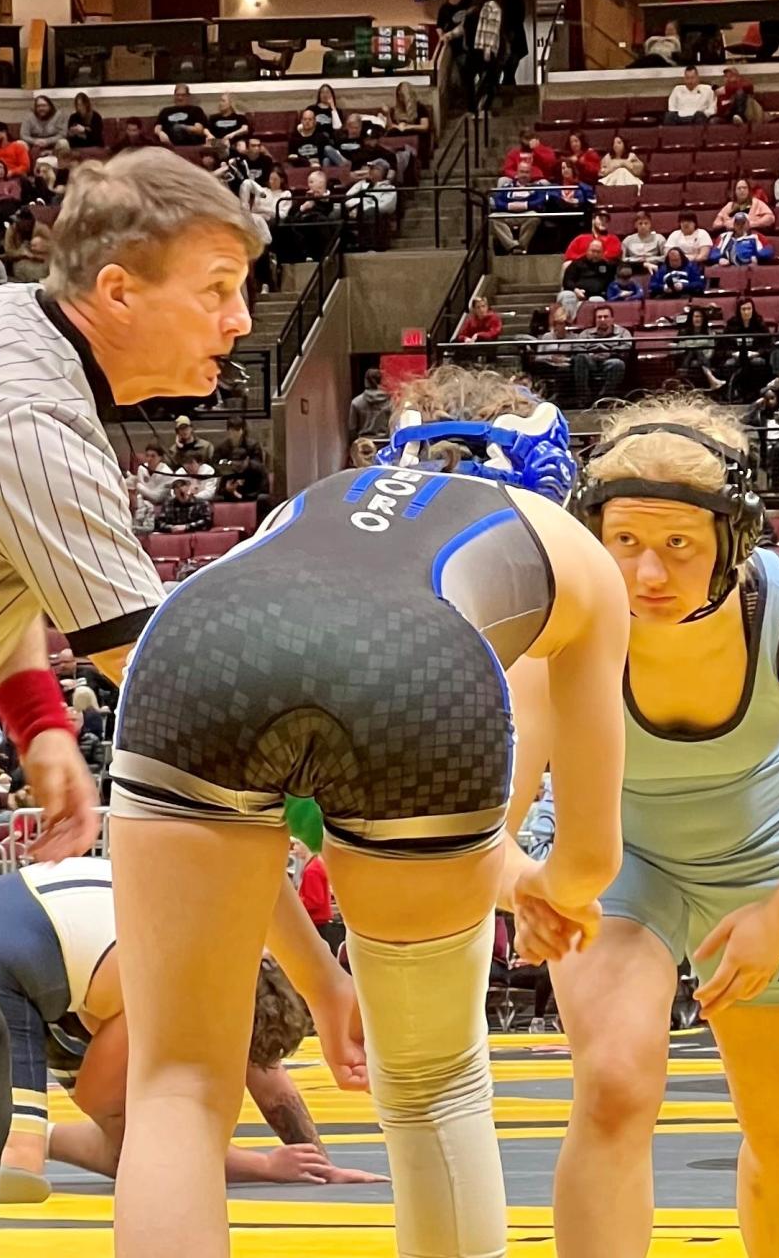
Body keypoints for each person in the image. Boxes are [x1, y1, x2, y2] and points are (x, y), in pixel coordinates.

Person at [104, 363, 629, 1258]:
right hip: (417, 673)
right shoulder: (571, 550)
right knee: (432, 1085)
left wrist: (318, 978)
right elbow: (589, 855)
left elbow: (252, 848)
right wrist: (555, 893)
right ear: (551, 475)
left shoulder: (311, 503)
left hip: (199, 638)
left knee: (178, 1089)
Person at [506, 393, 779, 1258]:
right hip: (615, 860)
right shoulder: (565, 622)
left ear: (732, 543)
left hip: (769, 868)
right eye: (623, 543)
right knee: (615, 1087)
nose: (647, 577)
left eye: (679, 546)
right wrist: (523, 887)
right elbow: (495, 821)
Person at [0, 146, 262, 1249]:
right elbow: (150, 663)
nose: (239, 320)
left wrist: (38, 721)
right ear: (115, 293)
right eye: (216, 289)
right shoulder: (31, 415)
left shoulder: (11, 320)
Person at [0, 858, 385, 1196]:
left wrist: (317, 1162)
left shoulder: (217, 961)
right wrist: (264, 1165)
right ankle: (25, 1139)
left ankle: (45, 1134)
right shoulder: (166, 985)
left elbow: (266, 1075)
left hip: (43, 950)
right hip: (11, 957)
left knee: (135, 1152)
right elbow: (106, 1106)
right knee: (19, 1163)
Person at [572, 304, 632, 400]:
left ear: (612, 319)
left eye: (606, 317)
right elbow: (577, 347)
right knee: (580, 357)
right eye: (599, 317)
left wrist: (609, 353)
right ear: (595, 319)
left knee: (618, 363)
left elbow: (626, 347)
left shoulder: (623, 332)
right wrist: (590, 355)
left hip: (609, 361)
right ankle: (583, 396)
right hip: (590, 361)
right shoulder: (586, 333)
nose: (602, 319)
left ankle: (604, 397)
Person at [490, 161, 547, 254]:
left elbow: (540, 201)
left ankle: (521, 247)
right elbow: (497, 201)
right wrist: (508, 206)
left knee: (534, 217)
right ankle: (512, 246)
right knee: (493, 217)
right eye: (522, 172)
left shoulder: (536, 187)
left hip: (526, 214)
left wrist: (525, 205)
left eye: (527, 172)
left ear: (530, 174)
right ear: (517, 173)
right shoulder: (507, 186)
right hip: (508, 213)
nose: (524, 175)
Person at [467, 0, 504, 114]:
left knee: (488, 80)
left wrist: (488, 49)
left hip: (485, 48)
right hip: (478, 47)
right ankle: (477, 108)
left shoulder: (492, 6)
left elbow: (492, 29)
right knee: (477, 79)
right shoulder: (479, 5)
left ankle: (482, 107)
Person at [721, 296, 772, 394]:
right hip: (736, 356)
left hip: (755, 356)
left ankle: (756, 391)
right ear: (739, 311)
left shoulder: (760, 324)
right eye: (743, 309)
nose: (746, 312)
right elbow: (723, 347)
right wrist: (732, 354)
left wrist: (757, 353)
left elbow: (768, 345)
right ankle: (733, 391)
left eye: (749, 309)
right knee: (729, 364)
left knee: (758, 362)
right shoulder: (731, 325)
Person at [557, 239, 617, 319]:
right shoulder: (576, 264)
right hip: (576, 294)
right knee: (567, 295)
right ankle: (570, 323)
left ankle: (589, 324)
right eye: (593, 251)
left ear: (603, 253)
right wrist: (576, 290)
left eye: (598, 252)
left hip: (596, 295)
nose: (595, 254)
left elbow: (610, 283)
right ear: (587, 250)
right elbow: (567, 281)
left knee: (597, 300)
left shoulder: (608, 266)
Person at [676, 305, 725, 391]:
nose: (698, 319)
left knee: (697, 350)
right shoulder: (683, 331)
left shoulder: (708, 331)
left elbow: (711, 349)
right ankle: (710, 377)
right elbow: (680, 348)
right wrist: (698, 345)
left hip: (704, 358)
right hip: (687, 359)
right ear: (691, 318)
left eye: (700, 317)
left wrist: (692, 345)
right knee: (695, 349)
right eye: (695, 316)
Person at [297, 845, 336, 947]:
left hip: (317, 924)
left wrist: (295, 904)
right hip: (320, 924)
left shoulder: (311, 871)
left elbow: (315, 901)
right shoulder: (316, 866)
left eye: (298, 844)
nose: (295, 849)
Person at [710, 212, 774, 267]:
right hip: (727, 268)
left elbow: (768, 251)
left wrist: (757, 257)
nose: (740, 226)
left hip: (749, 268)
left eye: (743, 223)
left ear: (748, 224)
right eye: (737, 223)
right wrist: (719, 259)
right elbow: (713, 253)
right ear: (734, 225)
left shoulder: (756, 236)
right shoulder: (723, 236)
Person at [347, 368, 391, 444]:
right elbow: (394, 424)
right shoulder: (390, 402)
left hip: (364, 445)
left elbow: (352, 428)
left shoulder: (356, 402)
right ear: (380, 381)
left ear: (366, 381)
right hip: (385, 443)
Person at [500, 0, 528, 85]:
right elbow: (521, 14)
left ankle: (508, 92)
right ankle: (509, 91)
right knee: (510, 71)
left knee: (508, 70)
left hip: (505, 33)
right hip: (517, 33)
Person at [622, 211, 667, 275]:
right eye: (640, 223)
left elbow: (666, 257)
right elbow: (623, 259)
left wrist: (650, 259)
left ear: (650, 224)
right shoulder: (628, 240)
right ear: (635, 225)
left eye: (646, 223)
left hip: (655, 267)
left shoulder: (659, 238)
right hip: (634, 268)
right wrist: (639, 261)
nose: (643, 226)